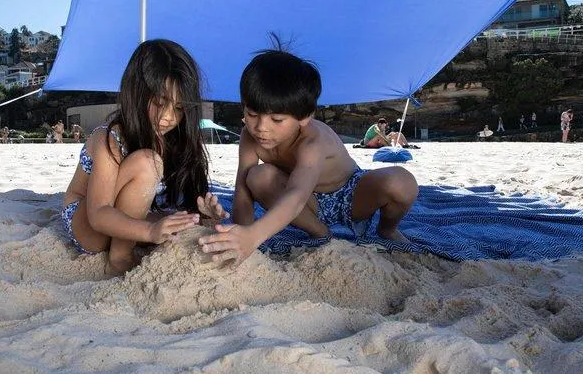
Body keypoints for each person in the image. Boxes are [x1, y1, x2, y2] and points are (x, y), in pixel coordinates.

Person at [197, 43, 419, 265]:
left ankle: (387, 229)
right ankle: (321, 234)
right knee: (257, 176)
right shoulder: (249, 136)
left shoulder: (312, 140)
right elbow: (243, 191)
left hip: (351, 195)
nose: (261, 127)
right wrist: (241, 235)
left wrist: (255, 235)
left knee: (402, 181)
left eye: (277, 120)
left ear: (304, 117)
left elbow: (296, 194)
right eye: (252, 113)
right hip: (309, 206)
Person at [61, 39, 227, 274]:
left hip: (119, 213)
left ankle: (133, 241)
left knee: (177, 224)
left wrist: (205, 218)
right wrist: (149, 232)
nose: (168, 117)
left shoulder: (172, 138)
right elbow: (98, 213)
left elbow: (148, 203)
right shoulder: (109, 138)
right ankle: (120, 257)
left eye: (179, 108)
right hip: (87, 224)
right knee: (148, 163)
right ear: (137, 92)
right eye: (159, 102)